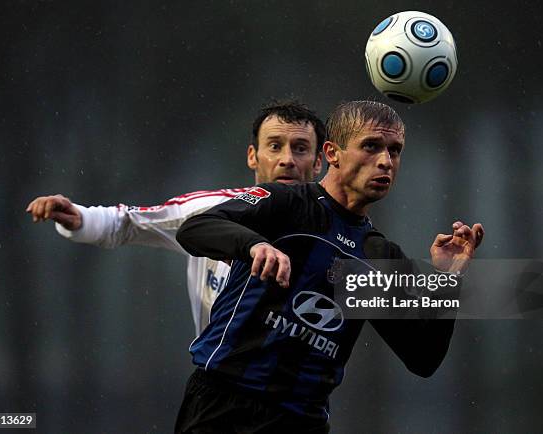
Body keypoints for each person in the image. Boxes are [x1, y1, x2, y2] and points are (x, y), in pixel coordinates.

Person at [175, 100, 485, 433]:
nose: (385, 161)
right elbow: (194, 229)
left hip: (302, 421)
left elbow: (423, 358)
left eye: (395, 151)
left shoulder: (377, 256)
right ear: (332, 153)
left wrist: (446, 280)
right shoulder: (285, 203)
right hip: (223, 408)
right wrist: (255, 245)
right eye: (371, 146)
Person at [25, 101, 325, 335]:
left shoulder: (344, 234)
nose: (287, 159)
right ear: (252, 156)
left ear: (317, 163)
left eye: (300, 149)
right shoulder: (211, 211)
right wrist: (79, 218)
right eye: (274, 146)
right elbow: (130, 224)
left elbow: (370, 310)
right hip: (223, 395)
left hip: (303, 403)